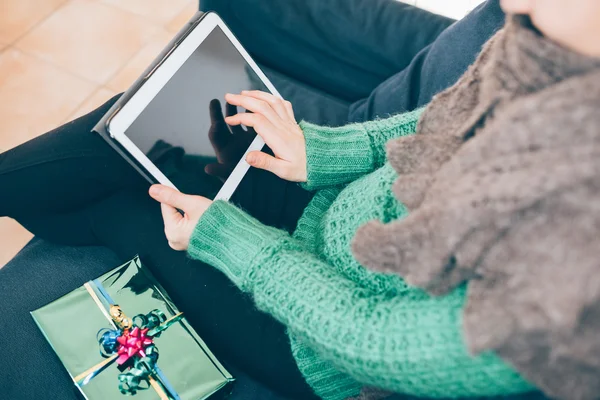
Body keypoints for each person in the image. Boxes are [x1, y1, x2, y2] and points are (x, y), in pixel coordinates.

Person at [0, 1, 522, 400]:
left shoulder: (565, 285)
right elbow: (438, 123)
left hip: (314, 341)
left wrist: (224, 235)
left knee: (118, 206)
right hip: (328, 208)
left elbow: (374, 339)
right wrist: (318, 151)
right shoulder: (551, 61)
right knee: (127, 129)